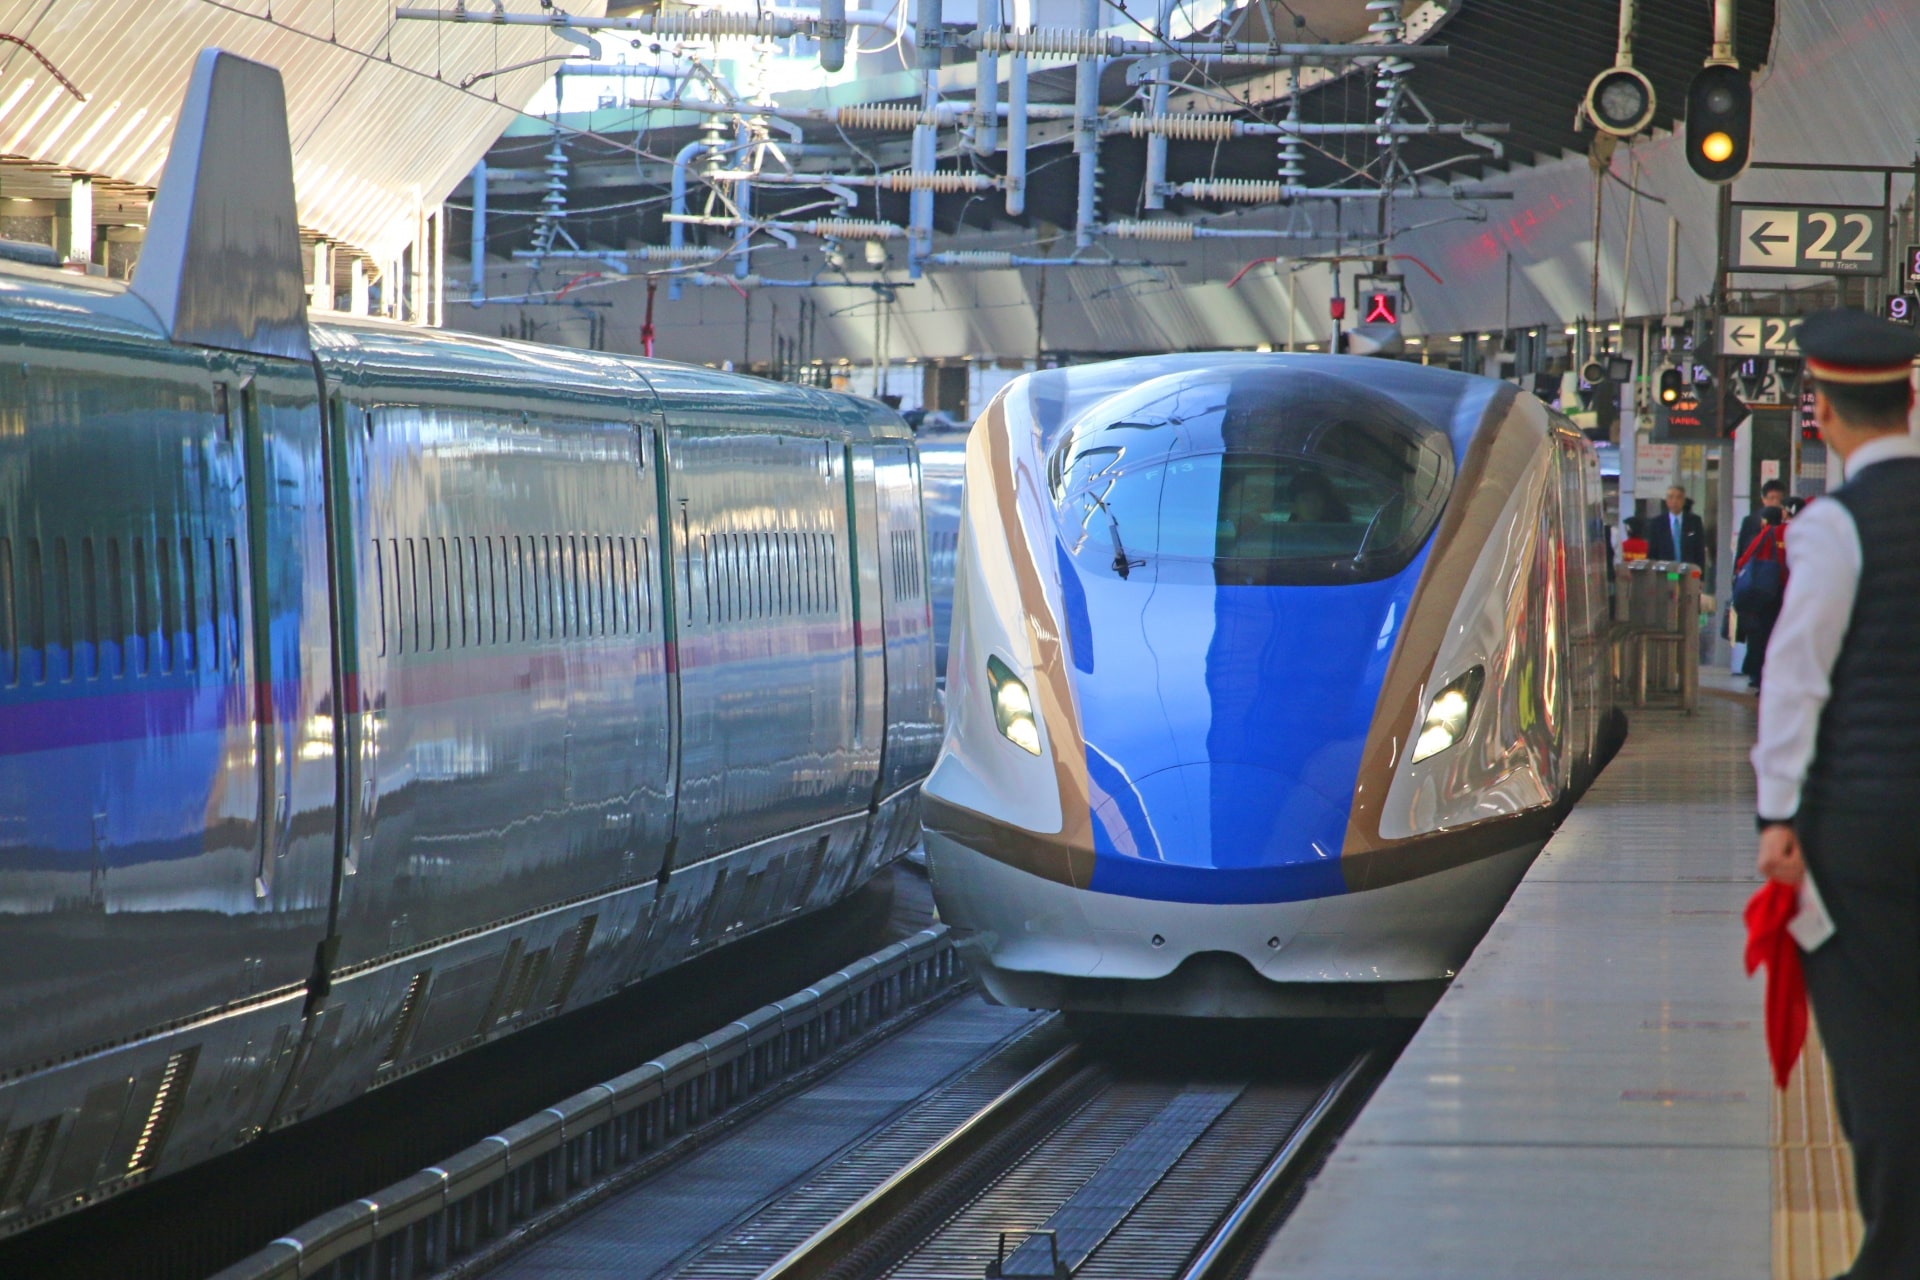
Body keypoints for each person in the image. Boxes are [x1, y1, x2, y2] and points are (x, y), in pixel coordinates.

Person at [1752, 307, 1920, 1280]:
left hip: (1862, 827)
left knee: (1878, 1046)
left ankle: (1895, 1250)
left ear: (1820, 411)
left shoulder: (1834, 528)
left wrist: (1779, 816)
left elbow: (1797, 677)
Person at [1735, 504, 1786, 691]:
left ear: (1765, 520)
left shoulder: (1766, 533)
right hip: (1784, 591)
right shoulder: (1789, 532)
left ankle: (1759, 676)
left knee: (1760, 634)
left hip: (1764, 591)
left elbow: (1745, 557)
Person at [1645, 484, 1707, 569]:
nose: (1674, 501)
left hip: (1688, 573)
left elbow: (1699, 551)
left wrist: (1699, 578)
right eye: (1671, 497)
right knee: (1672, 579)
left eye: (1678, 497)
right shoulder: (1657, 523)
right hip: (1666, 574)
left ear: (1683, 500)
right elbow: (1652, 553)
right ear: (1666, 500)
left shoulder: (1694, 522)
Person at [1737, 478, 1788, 562]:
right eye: (1771, 498)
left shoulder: (1788, 522)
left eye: (1779, 499)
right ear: (1763, 499)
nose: (1775, 502)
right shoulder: (1750, 521)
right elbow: (1742, 549)